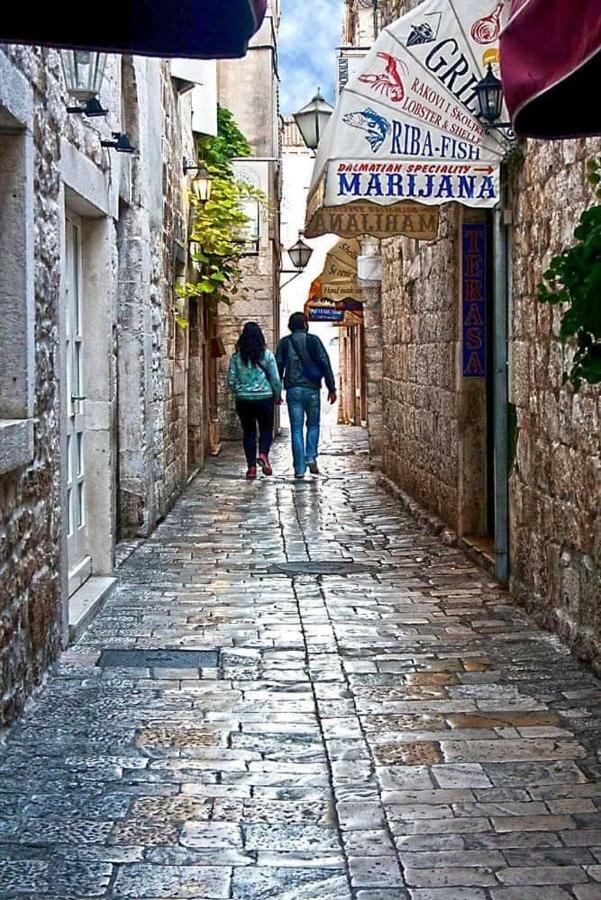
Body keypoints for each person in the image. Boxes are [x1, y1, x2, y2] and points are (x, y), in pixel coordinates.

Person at [276, 312, 337, 479]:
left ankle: (299, 469)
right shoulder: (313, 341)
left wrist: (277, 391)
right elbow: (325, 363)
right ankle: (311, 456)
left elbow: (278, 367)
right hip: (311, 389)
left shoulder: (285, 343)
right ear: (305, 324)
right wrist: (331, 387)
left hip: (293, 389)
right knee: (313, 425)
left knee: (296, 429)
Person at [227, 322, 282, 480]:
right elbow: (276, 379)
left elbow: (231, 379)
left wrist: (239, 390)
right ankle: (263, 454)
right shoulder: (267, 355)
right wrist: (277, 395)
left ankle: (251, 468)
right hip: (264, 398)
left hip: (244, 401)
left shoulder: (237, 357)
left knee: (249, 433)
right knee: (266, 429)